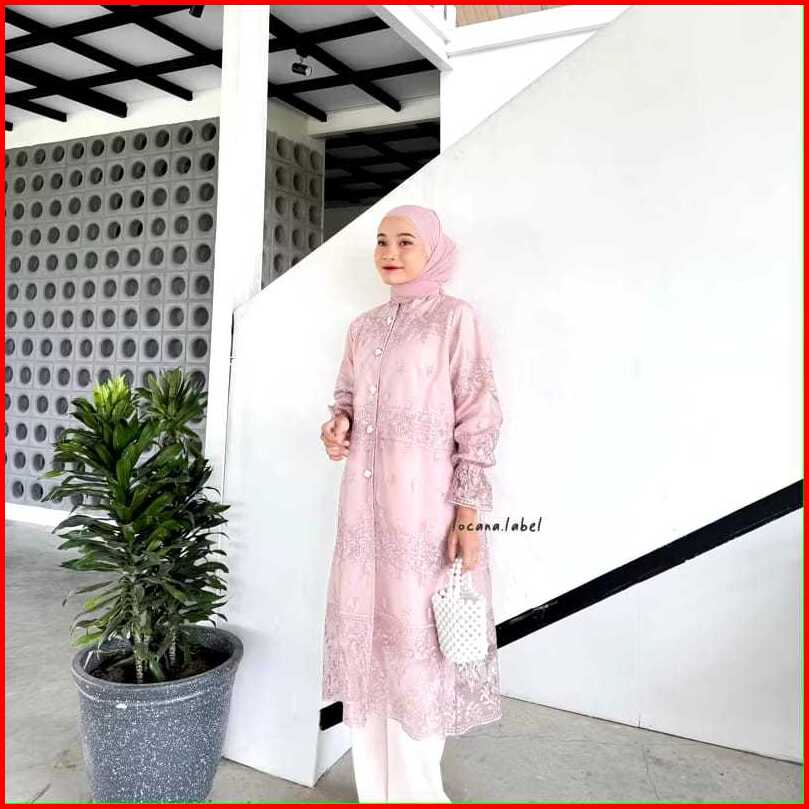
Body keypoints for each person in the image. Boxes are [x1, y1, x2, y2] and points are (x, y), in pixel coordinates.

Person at [319, 204, 504, 803]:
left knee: (418, 651)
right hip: (363, 517)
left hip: (425, 516)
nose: (389, 253)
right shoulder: (364, 327)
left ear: (433, 250)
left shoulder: (454, 320)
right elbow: (346, 397)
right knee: (370, 649)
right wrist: (338, 424)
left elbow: (478, 416)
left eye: (405, 241)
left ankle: (417, 796)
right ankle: (375, 794)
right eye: (381, 241)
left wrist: (469, 514)